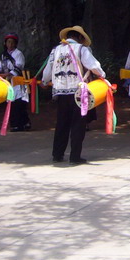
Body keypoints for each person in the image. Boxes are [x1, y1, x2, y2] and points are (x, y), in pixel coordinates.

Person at [41, 25, 105, 164]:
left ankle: (57, 154)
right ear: (80, 37)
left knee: (62, 123)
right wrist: (102, 76)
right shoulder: (81, 49)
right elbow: (93, 66)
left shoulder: (55, 50)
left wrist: (44, 81)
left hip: (60, 92)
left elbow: (48, 69)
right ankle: (75, 156)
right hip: (78, 92)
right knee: (78, 124)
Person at [0, 33, 32, 132]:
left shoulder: (18, 53)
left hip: (18, 81)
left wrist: (7, 75)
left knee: (19, 103)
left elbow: (19, 67)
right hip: (8, 82)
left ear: (15, 44)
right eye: (8, 42)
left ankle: (19, 124)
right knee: (11, 103)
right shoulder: (3, 55)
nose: (10, 44)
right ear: (5, 43)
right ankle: (18, 123)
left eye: (12, 42)